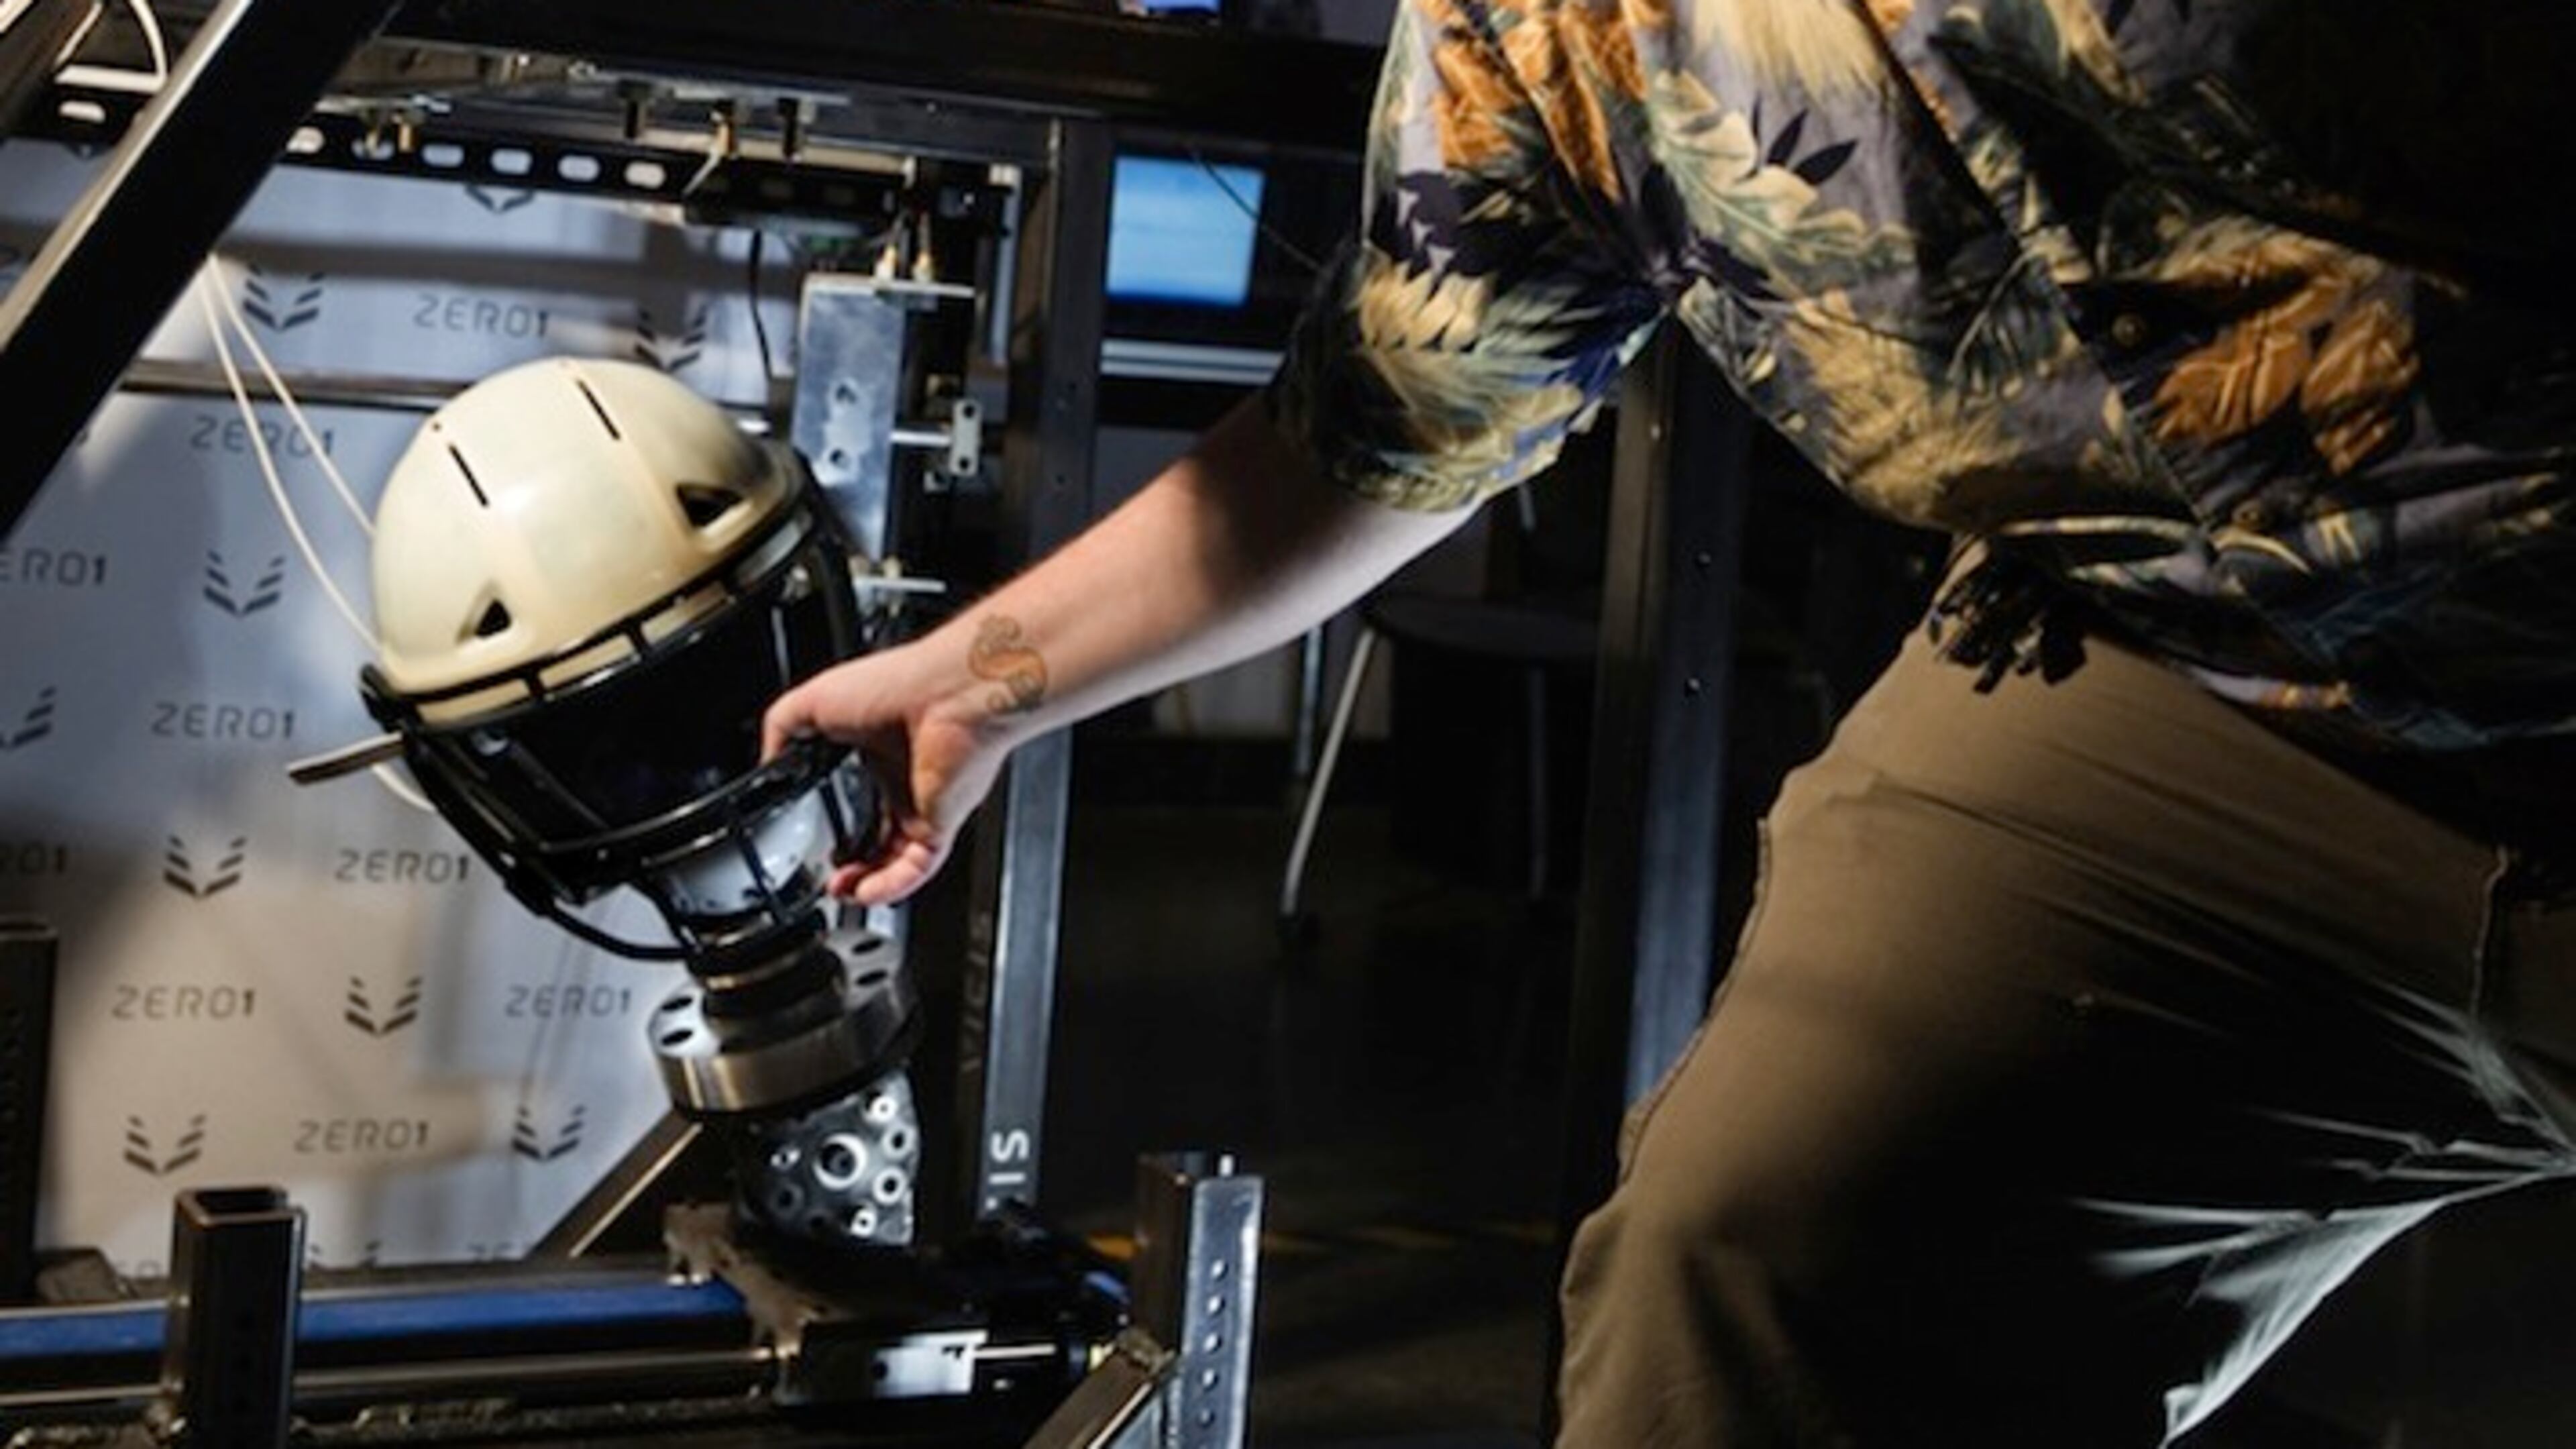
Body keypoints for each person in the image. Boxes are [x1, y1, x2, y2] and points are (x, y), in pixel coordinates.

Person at [766, 2, 2576, 1443]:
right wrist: (985, 680)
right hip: (2177, 673)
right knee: (1765, 1255)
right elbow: (1399, 406)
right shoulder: (1546, 30)